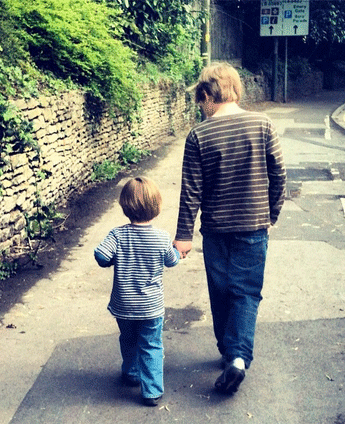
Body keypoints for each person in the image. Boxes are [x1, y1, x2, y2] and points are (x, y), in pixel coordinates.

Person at [173, 62, 286, 395]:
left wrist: (183, 235)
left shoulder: (199, 135)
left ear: (208, 95)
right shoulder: (262, 124)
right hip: (254, 226)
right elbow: (279, 175)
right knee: (246, 292)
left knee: (221, 291)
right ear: (236, 90)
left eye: (201, 101)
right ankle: (236, 357)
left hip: (216, 229)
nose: (202, 109)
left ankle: (230, 350)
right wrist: (272, 215)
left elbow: (190, 189)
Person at [94, 176, 180, 406]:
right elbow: (171, 261)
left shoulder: (117, 235)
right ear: (157, 207)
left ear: (125, 206)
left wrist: (110, 260)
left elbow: (101, 255)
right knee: (151, 344)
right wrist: (179, 253)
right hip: (151, 307)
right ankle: (151, 391)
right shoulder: (161, 237)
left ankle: (131, 373)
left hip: (124, 305)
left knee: (129, 339)